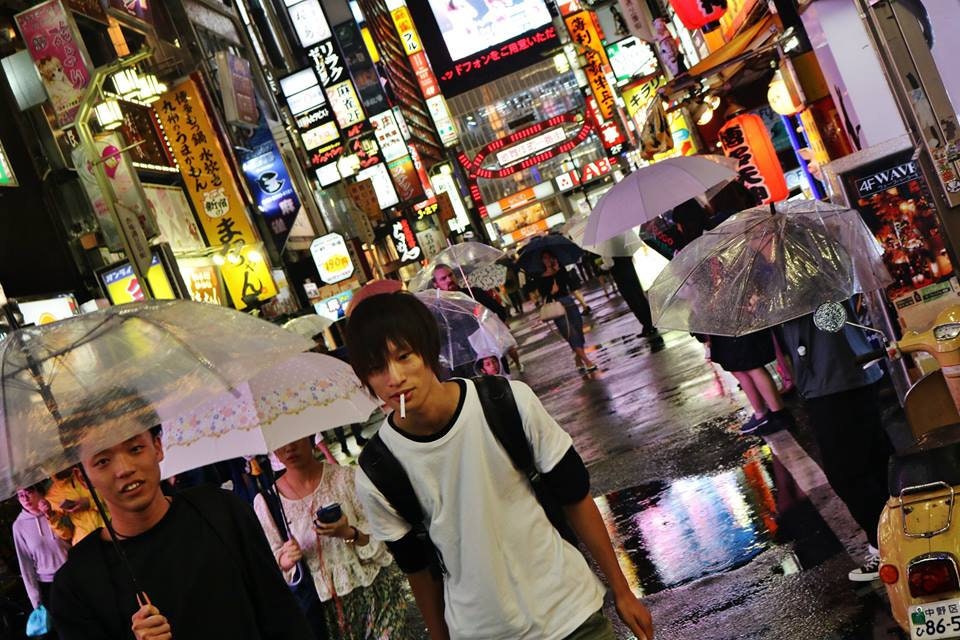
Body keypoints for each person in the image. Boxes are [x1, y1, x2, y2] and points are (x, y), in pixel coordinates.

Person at [346, 292, 653, 640]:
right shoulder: (377, 471)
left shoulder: (506, 402)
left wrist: (622, 590)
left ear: (428, 351)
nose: (394, 377)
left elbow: (575, 496)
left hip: (572, 614)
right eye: (376, 368)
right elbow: (417, 569)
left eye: (404, 356)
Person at [49, 421, 312, 640]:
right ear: (83, 478)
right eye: (103, 461)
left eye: (135, 448)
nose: (124, 469)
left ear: (158, 447)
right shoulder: (76, 585)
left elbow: (282, 614)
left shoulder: (221, 511)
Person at [776, 302, 893, 581]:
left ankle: (886, 546)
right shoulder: (805, 266)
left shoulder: (794, 269)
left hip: (832, 378)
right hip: (849, 369)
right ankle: (894, 540)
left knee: (848, 473)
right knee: (876, 461)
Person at [253, 437, 409, 639]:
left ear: (310, 437)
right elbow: (266, 563)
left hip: (372, 592)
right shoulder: (268, 503)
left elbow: (379, 537)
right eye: (281, 443)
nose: (289, 447)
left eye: (296, 438)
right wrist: (285, 559)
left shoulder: (345, 478)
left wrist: (348, 533)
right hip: (319, 611)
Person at [433, 264, 523, 373]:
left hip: (489, 346)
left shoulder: (473, 293)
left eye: (450, 275)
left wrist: (482, 314)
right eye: (443, 278)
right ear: (436, 284)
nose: (449, 279)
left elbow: (498, 310)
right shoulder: (438, 308)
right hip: (467, 357)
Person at [14, 483, 69, 631]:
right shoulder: (18, 526)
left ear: (39, 491)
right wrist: (35, 599)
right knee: (65, 628)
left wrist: (51, 513)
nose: (24, 498)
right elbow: (25, 564)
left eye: (28, 492)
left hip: (73, 573)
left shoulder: (57, 506)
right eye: (20, 495)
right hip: (48, 584)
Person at [538, 250, 598, 374]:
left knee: (579, 332)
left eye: (549, 257)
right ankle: (587, 361)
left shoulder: (562, 270)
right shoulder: (541, 277)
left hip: (569, 303)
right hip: (557, 307)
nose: (547, 260)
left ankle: (578, 359)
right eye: (545, 258)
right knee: (571, 334)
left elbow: (571, 286)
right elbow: (543, 295)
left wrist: (559, 272)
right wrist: (551, 292)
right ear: (542, 261)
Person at [43, 468, 106, 545]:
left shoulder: (88, 473)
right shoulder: (52, 496)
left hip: (111, 531)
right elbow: (66, 535)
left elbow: (116, 500)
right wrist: (51, 517)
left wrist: (90, 503)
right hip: (85, 543)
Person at [606, 256, 658, 338]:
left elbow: (609, 263)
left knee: (632, 301)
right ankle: (651, 323)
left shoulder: (607, 248)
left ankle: (646, 325)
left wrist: (603, 265)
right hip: (631, 270)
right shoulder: (623, 244)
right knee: (639, 296)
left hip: (620, 275)